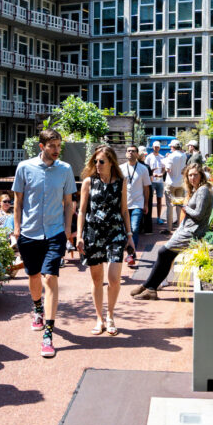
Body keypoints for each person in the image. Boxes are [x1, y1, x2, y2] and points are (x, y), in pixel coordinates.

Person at [12, 128, 77, 359]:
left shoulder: (66, 170)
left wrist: (68, 230)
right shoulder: (24, 168)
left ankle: (48, 334)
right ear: (42, 147)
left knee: (50, 277)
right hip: (29, 232)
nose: (57, 150)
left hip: (55, 232)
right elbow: (18, 201)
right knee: (33, 276)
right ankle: (37, 308)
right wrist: (17, 229)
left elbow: (69, 203)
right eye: (52, 146)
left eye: (59, 146)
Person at [75, 144, 135, 337]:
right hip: (93, 233)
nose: (97, 164)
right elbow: (82, 211)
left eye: (101, 161)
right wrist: (79, 235)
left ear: (110, 162)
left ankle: (110, 315)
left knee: (114, 279)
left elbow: (124, 210)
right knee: (97, 278)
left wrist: (130, 236)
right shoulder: (88, 182)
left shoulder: (121, 182)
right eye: (95, 161)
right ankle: (99, 318)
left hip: (115, 232)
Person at [131, 164, 212, 299]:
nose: (192, 178)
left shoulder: (203, 190)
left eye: (195, 175)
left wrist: (183, 206)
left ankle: (149, 286)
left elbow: (198, 214)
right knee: (166, 255)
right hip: (188, 229)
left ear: (201, 176)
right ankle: (149, 286)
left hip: (193, 232)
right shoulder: (198, 189)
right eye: (190, 175)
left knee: (164, 253)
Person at [119, 144, 151, 266]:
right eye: (128, 151)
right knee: (123, 230)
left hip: (137, 204)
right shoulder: (120, 168)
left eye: (133, 151)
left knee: (134, 229)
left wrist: (146, 204)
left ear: (137, 154)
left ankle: (130, 254)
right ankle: (128, 250)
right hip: (123, 205)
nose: (130, 153)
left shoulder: (143, 169)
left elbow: (146, 188)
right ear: (126, 154)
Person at [162, 143, 188, 234]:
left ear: (172, 147)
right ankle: (179, 226)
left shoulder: (171, 156)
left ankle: (169, 228)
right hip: (180, 183)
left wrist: (165, 163)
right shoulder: (183, 155)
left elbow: (168, 169)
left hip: (171, 183)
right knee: (179, 205)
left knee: (169, 206)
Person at [145, 141, 166, 227]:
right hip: (151, 181)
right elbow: (146, 169)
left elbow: (164, 168)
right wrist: (152, 173)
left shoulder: (162, 157)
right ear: (152, 147)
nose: (156, 148)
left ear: (159, 147)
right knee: (149, 199)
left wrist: (162, 173)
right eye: (155, 147)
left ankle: (158, 217)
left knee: (159, 199)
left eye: (158, 147)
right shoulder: (149, 157)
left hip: (160, 181)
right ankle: (149, 217)